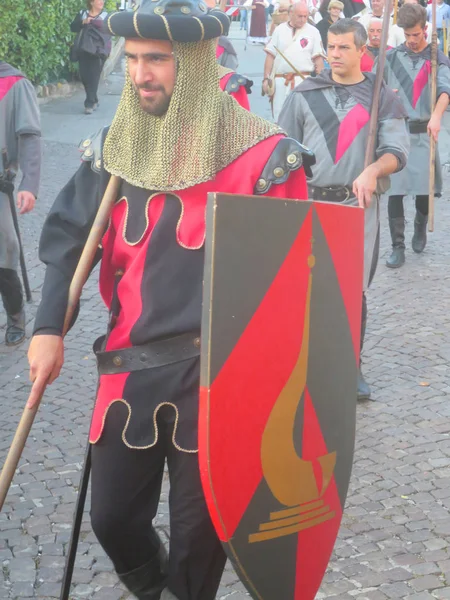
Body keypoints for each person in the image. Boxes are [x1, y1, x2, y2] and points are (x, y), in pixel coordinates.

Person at [27, 1, 314, 598]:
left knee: (199, 542)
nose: (139, 73)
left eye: (155, 58)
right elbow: (66, 243)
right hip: (129, 370)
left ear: (193, 62)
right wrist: (48, 326)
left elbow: (294, 286)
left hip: (218, 381)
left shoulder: (263, 157)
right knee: (112, 519)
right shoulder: (115, 149)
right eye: (131, 58)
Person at [278, 18, 409, 400]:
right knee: (305, 289)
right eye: (330, 47)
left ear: (361, 52)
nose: (334, 54)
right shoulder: (304, 93)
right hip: (309, 201)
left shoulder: (381, 96)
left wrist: (373, 169)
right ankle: (303, 365)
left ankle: (351, 365)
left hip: (357, 205)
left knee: (351, 289)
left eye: (343, 48)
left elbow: (397, 152)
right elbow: (282, 149)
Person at [381, 4, 450, 268]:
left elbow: (445, 90)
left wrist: (436, 115)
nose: (411, 40)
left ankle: (420, 226)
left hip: (423, 132)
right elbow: (378, 87)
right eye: (407, 35)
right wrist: (387, 97)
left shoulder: (437, 58)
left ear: (425, 29)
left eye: (416, 35)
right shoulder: (391, 57)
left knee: (424, 190)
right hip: (397, 133)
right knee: (395, 190)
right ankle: (397, 246)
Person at [0, 62, 41, 346]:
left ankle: (15, 316)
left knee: (5, 249)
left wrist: (29, 184)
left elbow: (29, 135)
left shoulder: (14, 83)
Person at [263, 1, 325, 121]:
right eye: (299, 16)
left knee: (301, 118)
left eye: (305, 16)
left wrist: (320, 84)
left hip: (302, 81)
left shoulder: (313, 32)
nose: (303, 19)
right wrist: (266, 79)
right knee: (279, 118)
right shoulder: (279, 30)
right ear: (291, 14)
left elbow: (318, 60)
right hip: (280, 82)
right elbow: (270, 56)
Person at [71, 0, 112, 114]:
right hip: (84, 50)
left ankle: (89, 103)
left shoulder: (106, 16)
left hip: (99, 51)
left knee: (94, 76)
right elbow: (73, 28)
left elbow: (111, 32)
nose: (102, 2)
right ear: (91, 2)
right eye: (99, 0)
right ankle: (94, 99)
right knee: (84, 76)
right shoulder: (83, 13)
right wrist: (83, 22)